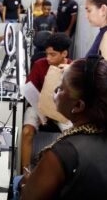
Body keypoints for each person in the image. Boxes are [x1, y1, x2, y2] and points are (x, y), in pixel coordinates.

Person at [19, 57, 107, 200]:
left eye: (60, 88)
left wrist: (25, 184)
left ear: (78, 106)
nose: (55, 91)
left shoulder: (62, 154)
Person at [21, 33, 72, 170]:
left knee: (72, 136)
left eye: (53, 54)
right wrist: (41, 112)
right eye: (47, 54)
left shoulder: (73, 69)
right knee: (26, 132)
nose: (48, 58)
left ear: (64, 53)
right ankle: (25, 172)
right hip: (38, 104)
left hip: (61, 109)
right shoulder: (39, 65)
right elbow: (29, 90)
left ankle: (62, 172)